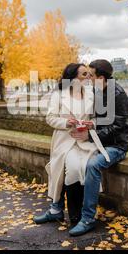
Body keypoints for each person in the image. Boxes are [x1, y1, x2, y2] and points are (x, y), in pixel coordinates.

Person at [33, 63, 107, 228]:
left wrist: (90, 124)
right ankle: (65, 212)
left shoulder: (91, 95)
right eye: (84, 74)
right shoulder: (58, 95)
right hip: (64, 141)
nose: (88, 77)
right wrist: (66, 122)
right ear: (72, 78)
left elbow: (97, 119)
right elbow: (50, 118)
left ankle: (67, 212)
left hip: (83, 141)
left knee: (78, 168)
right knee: (69, 168)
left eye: (88, 74)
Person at [68, 59, 128, 237]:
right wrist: (91, 124)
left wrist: (89, 134)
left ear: (101, 77)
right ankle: (66, 210)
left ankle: (87, 219)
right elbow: (101, 121)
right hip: (100, 142)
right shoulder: (98, 90)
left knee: (93, 165)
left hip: (116, 146)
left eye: (92, 75)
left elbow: (117, 127)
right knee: (72, 157)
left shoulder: (118, 95)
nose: (89, 78)